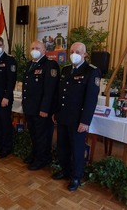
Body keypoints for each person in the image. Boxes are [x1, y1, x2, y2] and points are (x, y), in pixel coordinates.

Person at [52, 42, 101, 191]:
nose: (74, 54)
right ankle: (65, 170)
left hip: (78, 119)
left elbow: (91, 99)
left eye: (78, 52)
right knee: (62, 146)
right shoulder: (66, 70)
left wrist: (85, 121)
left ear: (85, 54)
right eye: (72, 51)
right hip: (63, 116)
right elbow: (60, 94)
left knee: (77, 149)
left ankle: (76, 176)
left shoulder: (92, 71)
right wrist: (56, 112)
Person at [22, 41, 60, 170]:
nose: (34, 50)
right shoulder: (30, 64)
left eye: (37, 48)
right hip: (31, 108)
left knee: (42, 136)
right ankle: (35, 155)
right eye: (32, 48)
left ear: (44, 50)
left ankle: (42, 159)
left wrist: (45, 108)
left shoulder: (50, 65)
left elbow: (50, 90)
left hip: (41, 109)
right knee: (34, 134)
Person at [0, 36, 17, 159]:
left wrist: (6, 97)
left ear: (3, 46)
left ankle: (6, 148)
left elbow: (11, 81)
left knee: (5, 123)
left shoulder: (10, 60)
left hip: (4, 99)